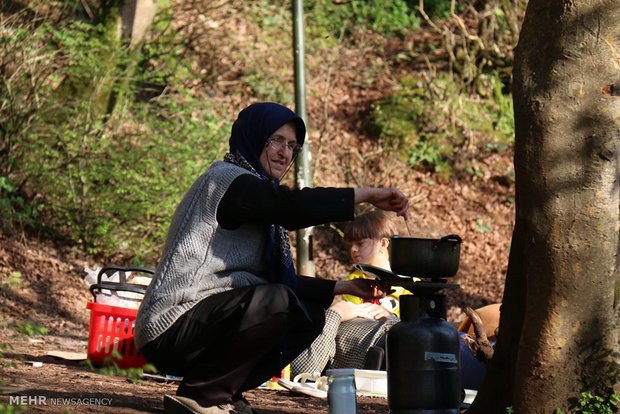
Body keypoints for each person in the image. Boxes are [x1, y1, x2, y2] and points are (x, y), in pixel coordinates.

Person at [134, 102, 410, 414]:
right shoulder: (228, 181)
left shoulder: (259, 199)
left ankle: (226, 390)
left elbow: (274, 280)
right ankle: (202, 394)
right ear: (253, 138)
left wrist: (344, 287)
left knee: (309, 315)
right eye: (276, 140)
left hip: (208, 325)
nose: (284, 153)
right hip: (171, 325)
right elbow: (290, 209)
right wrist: (367, 195)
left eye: (292, 145)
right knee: (278, 300)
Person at [341, 210, 412, 317]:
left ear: (383, 243)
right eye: (350, 245)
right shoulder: (352, 282)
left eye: (360, 244)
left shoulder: (410, 282)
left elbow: (414, 322)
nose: (353, 249)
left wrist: (391, 317)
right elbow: (355, 321)